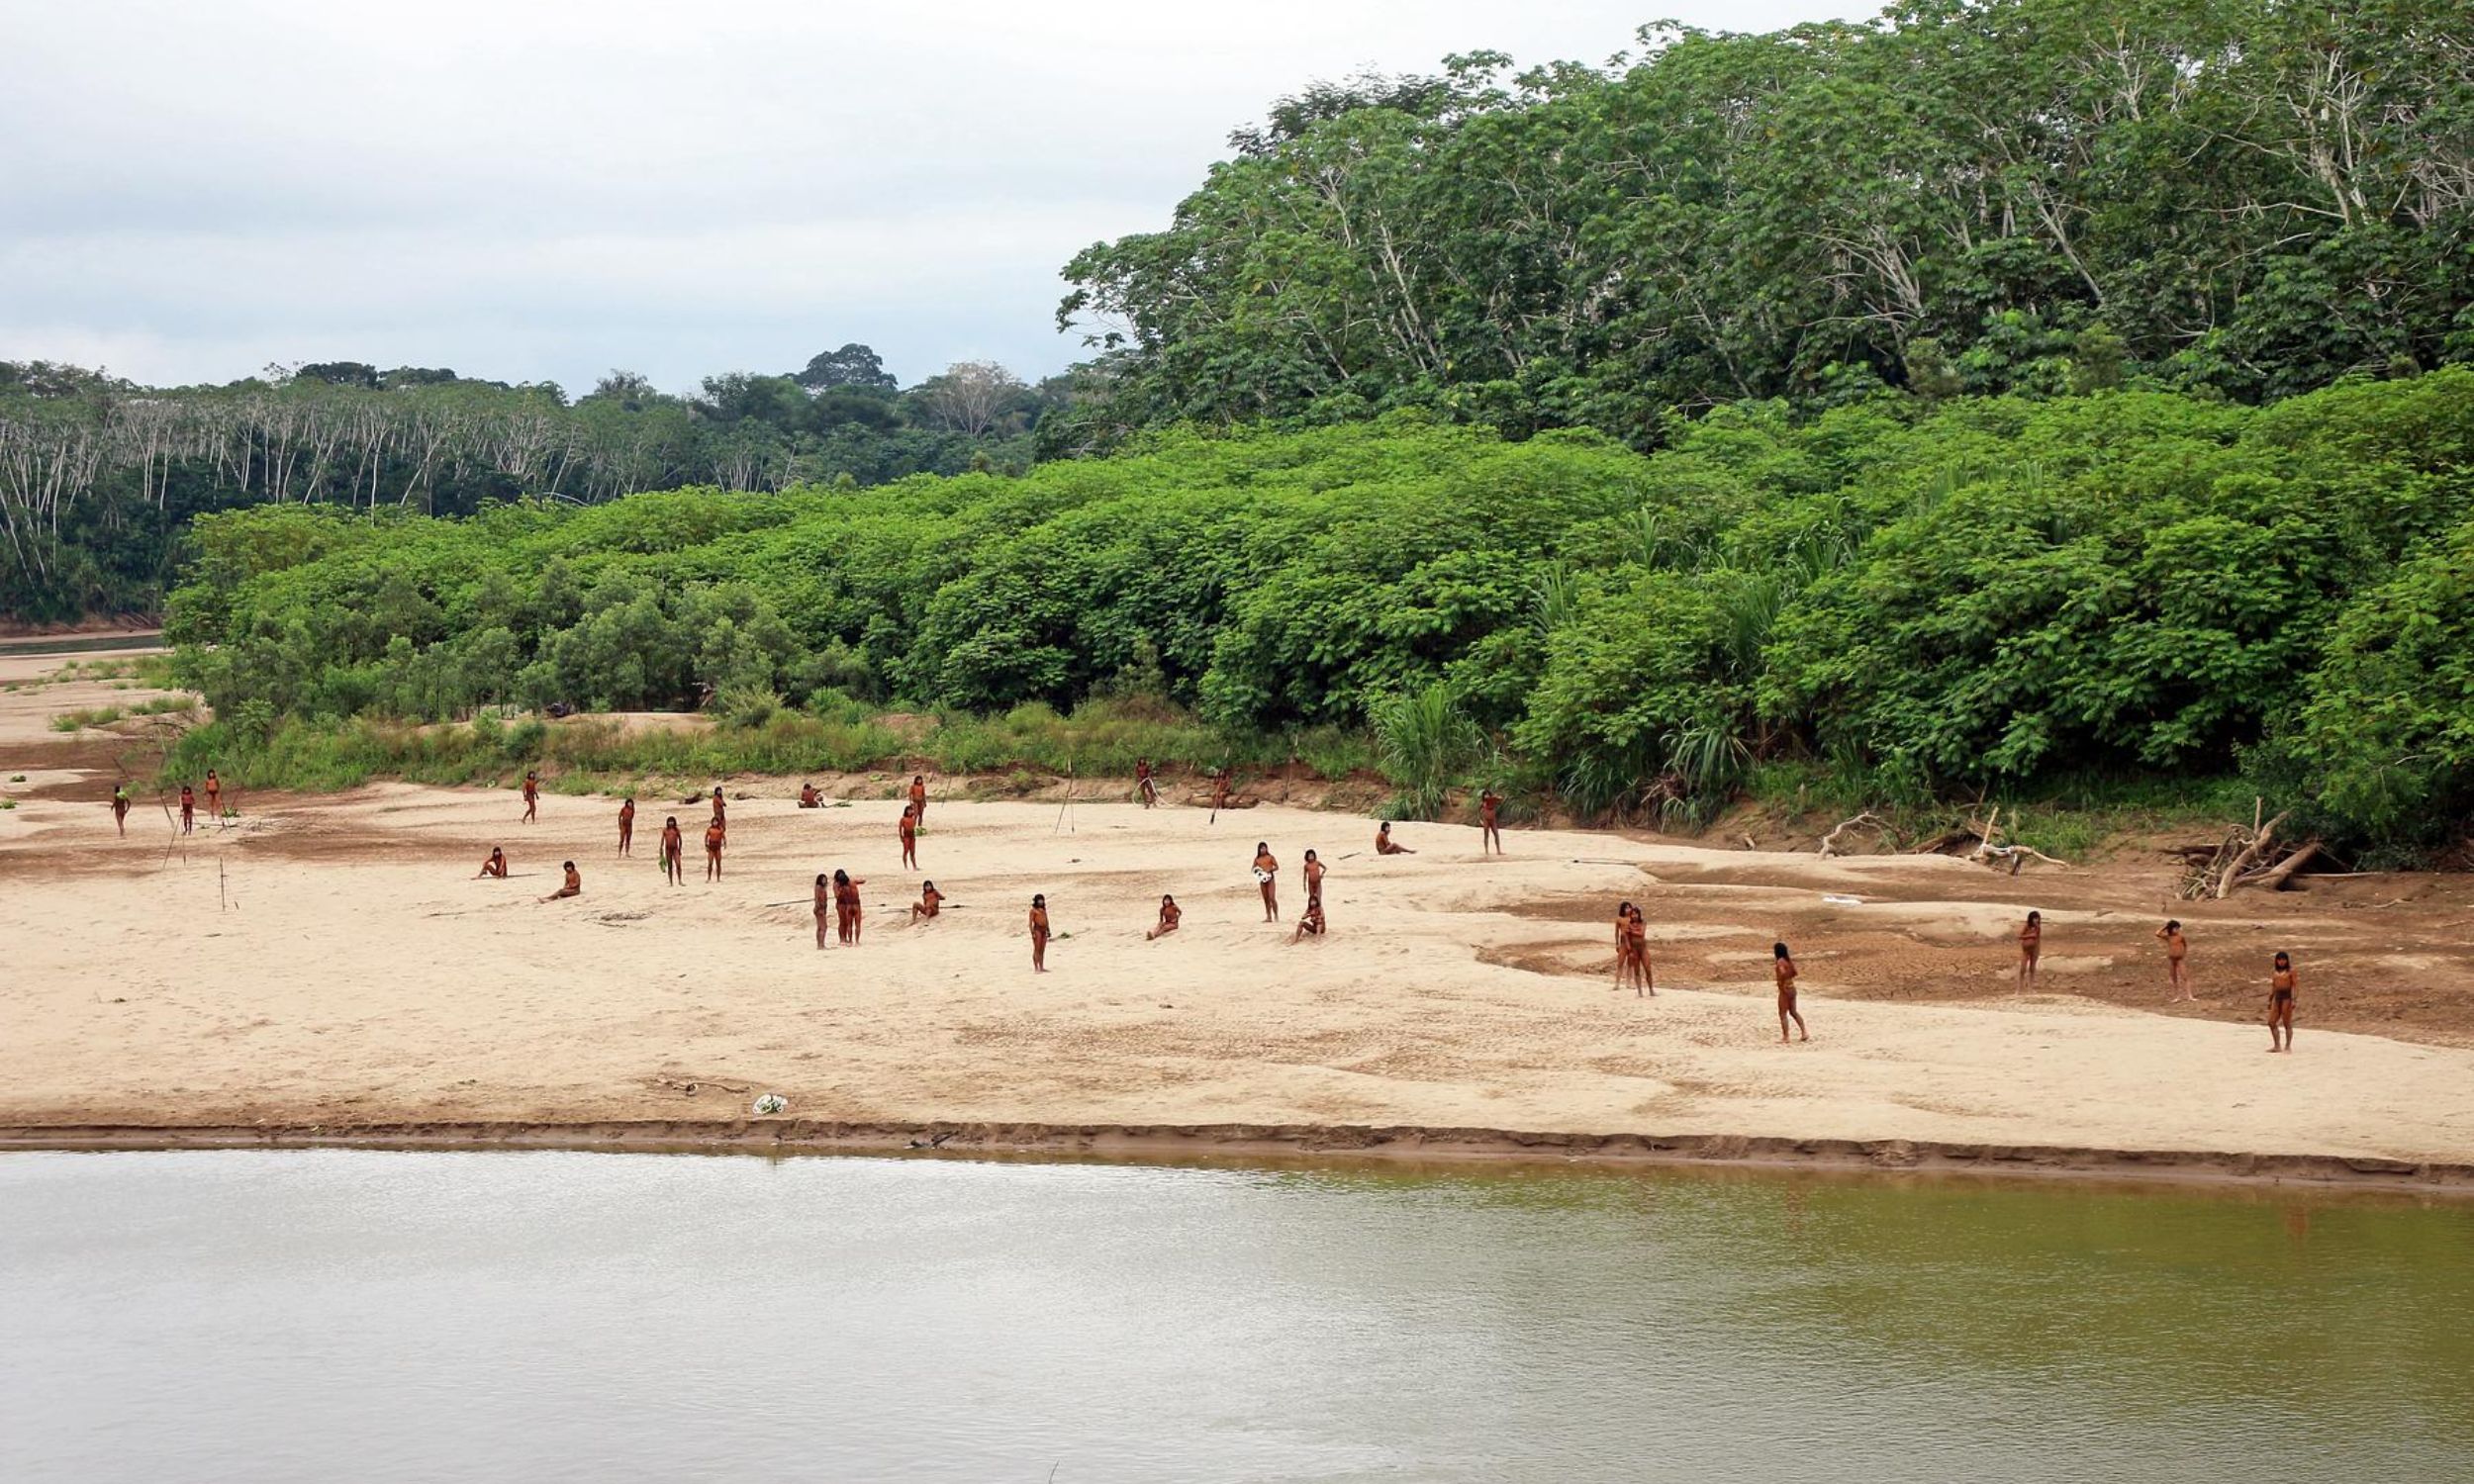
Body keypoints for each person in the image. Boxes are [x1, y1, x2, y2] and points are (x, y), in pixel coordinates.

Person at [1773, 941, 1808, 1043]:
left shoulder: (1780, 962)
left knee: (1782, 1013)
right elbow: (1795, 973)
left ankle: (1786, 1036)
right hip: (1792, 987)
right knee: (1793, 1012)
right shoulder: (1789, 961)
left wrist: (1781, 981)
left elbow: (1782, 972)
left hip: (1785, 989)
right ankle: (1804, 1032)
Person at [2267, 951, 2298, 1053]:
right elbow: (2273, 986)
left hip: (2287, 998)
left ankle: (2288, 1046)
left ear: (2287, 960)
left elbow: (2295, 986)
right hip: (2277, 998)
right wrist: (2270, 999)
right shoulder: (2274, 971)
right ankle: (2277, 1045)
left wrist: (2294, 999)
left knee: (2287, 1023)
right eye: (2279, 960)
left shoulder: (2291, 971)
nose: (2281, 962)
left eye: (2283, 960)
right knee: (2271, 1022)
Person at [2156, 920, 2192, 1001]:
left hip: (2179, 959)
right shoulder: (2168, 937)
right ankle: (2177, 996)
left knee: (2184, 976)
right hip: (2172, 959)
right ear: (2171, 929)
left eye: (2178, 928)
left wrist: (2183, 953)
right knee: (2174, 977)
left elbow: (2185, 945)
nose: (2177, 930)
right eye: (2175, 928)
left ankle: (2189, 996)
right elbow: (2157, 933)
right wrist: (2165, 927)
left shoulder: (2181, 937)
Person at [1627, 904, 1655, 997]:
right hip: (1634, 948)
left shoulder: (1643, 922)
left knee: (1648, 968)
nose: (1634, 916)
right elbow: (1627, 938)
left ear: (1639, 914)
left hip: (1643, 948)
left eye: (1636, 914)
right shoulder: (1629, 924)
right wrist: (1629, 951)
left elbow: (1641, 933)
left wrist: (1631, 930)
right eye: (1632, 914)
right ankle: (1640, 991)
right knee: (1637, 970)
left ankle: (1651, 989)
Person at [1612, 900, 1637, 991]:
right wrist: (1617, 944)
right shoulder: (1619, 919)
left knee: (1630, 964)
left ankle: (1628, 983)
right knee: (1620, 963)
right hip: (1623, 943)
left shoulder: (1633, 918)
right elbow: (1616, 932)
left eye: (1629, 907)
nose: (1628, 909)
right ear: (1622, 909)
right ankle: (1617, 983)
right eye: (1626, 908)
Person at [839, 868, 868, 945]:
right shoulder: (853, 882)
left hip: (849, 906)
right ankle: (857, 941)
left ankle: (850, 940)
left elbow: (841, 897)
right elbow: (863, 881)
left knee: (849, 925)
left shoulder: (843, 888)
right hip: (856, 905)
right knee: (857, 924)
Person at [1253, 841, 1280, 922]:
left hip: (1270, 878)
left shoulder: (1270, 857)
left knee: (1272, 897)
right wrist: (1259, 873)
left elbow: (1277, 867)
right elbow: (1253, 869)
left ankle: (1276, 914)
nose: (1263, 850)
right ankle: (1269, 916)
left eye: (1264, 848)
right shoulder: (1257, 859)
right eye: (1261, 849)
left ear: (1267, 849)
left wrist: (1270, 870)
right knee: (1266, 899)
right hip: (1262, 879)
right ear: (1259, 850)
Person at [2017, 910, 2043, 991]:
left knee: (2032, 968)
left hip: (2034, 949)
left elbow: (2037, 937)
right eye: (2035, 919)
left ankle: (2030, 987)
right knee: (2022, 968)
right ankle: (2019, 988)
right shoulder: (2027, 926)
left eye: (2037, 919)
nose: (2036, 920)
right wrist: (2029, 935)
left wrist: (2037, 949)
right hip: (2026, 949)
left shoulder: (2038, 928)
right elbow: (2020, 936)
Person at [1028, 892, 1050, 972]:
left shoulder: (1043, 910)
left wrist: (1048, 930)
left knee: (1042, 949)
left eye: (1042, 900)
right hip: (1037, 930)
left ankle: (1041, 966)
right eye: (1039, 900)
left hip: (1044, 930)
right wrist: (1032, 933)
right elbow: (1030, 923)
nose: (1041, 901)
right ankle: (1036, 967)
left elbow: (1046, 920)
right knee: (1037, 949)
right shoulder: (1033, 910)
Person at [659, 816, 684, 885]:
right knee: (670, 866)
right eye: (669, 822)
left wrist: (680, 849)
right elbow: (662, 840)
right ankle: (671, 882)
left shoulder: (676, 830)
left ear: (674, 822)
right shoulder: (665, 830)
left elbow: (680, 840)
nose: (671, 823)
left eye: (672, 821)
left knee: (678, 864)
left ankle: (680, 880)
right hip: (668, 849)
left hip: (675, 849)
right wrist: (661, 848)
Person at [1479, 788, 1503, 855]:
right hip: (1486, 820)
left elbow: (1501, 799)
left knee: (1496, 834)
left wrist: (1496, 797)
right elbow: (1478, 811)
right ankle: (1486, 851)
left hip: (1493, 820)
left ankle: (1498, 850)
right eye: (1485, 795)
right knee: (1486, 835)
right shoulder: (1483, 803)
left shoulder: (1493, 801)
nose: (1486, 796)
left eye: (1487, 794)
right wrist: (1480, 820)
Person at [813, 874, 833, 949]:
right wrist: (818, 907)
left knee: (820, 927)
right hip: (820, 908)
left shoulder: (821, 887)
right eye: (823, 879)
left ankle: (819, 944)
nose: (824, 881)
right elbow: (817, 898)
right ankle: (821, 944)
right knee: (823, 927)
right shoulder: (819, 887)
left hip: (821, 908)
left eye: (825, 879)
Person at [1302, 848, 1325, 912]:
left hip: (1318, 883)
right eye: (1309, 856)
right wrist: (1304, 885)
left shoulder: (1317, 863)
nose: (1311, 858)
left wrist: (1321, 875)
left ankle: (1320, 912)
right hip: (1310, 884)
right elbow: (1305, 876)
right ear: (1307, 857)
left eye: (1312, 856)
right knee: (1312, 899)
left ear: (1314, 856)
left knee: (1318, 898)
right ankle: (1312, 912)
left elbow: (1325, 868)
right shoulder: (1306, 866)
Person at [899, 803, 918, 870]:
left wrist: (914, 807)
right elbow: (900, 828)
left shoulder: (913, 818)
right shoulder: (903, 819)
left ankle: (914, 866)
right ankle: (905, 866)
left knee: (912, 851)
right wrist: (901, 836)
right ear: (906, 811)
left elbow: (916, 814)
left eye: (911, 810)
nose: (910, 812)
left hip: (912, 835)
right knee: (906, 851)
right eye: (908, 810)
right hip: (906, 836)